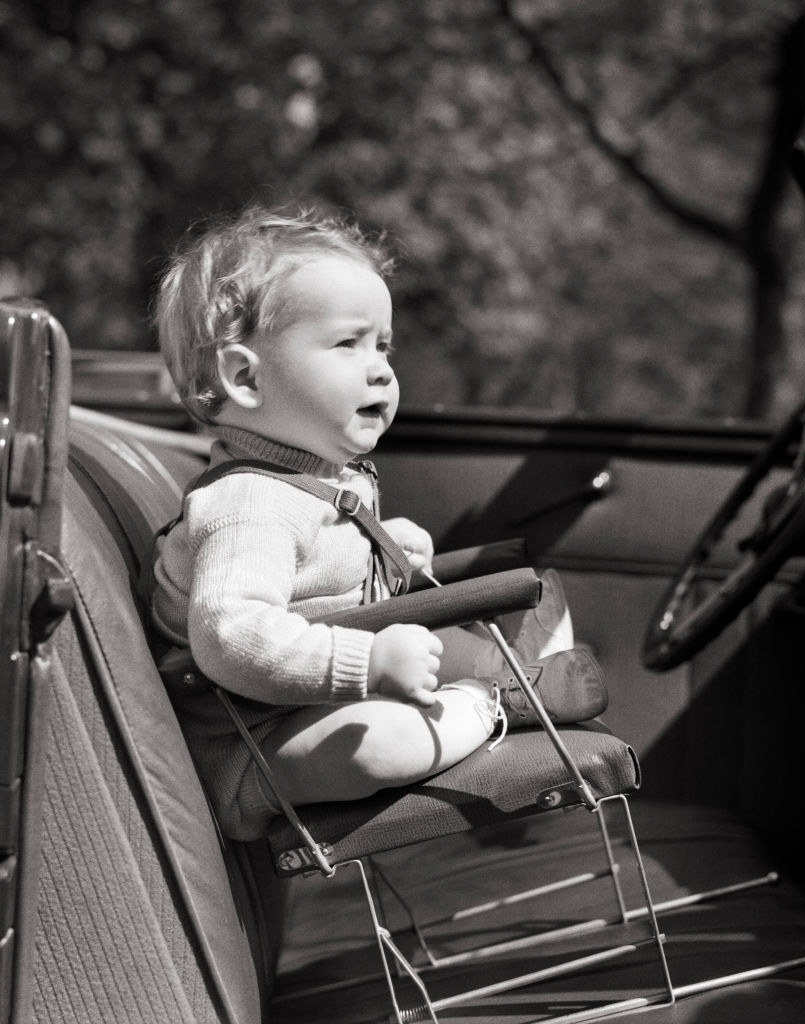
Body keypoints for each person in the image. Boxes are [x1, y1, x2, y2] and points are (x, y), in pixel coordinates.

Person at [149, 205, 606, 841]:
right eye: (348, 342)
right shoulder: (249, 506)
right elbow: (234, 638)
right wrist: (367, 664)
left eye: (383, 345)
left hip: (309, 703)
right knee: (378, 745)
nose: (383, 368)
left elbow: (325, 590)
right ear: (246, 377)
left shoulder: (322, 484)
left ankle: (520, 676)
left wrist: (388, 554)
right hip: (256, 746)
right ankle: (502, 698)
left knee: (439, 642)